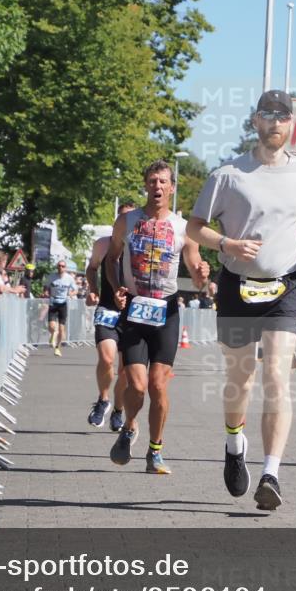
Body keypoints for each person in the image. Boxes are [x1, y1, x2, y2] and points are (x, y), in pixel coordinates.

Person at [187, 89, 296, 511]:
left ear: (290, 124)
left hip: (286, 287)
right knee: (240, 380)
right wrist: (227, 243)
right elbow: (195, 228)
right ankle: (233, 444)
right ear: (255, 122)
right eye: (268, 115)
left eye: (283, 117)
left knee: (278, 379)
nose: (276, 124)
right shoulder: (228, 174)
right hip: (238, 286)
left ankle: (271, 474)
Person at [106, 160, 209, 474]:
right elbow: (112, 259)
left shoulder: (183, 227)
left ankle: (155, 451)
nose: (158, 187)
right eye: (152, 181)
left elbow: (194, 265)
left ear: (172, 187)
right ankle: (129, 427)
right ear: (145, 185)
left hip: (166, 311)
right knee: (136, 387)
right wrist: (116, 288)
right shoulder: (126, 221)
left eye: (163, 182)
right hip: (136, 309)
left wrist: (203, 275)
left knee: (158, 386)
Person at [84, 201, 138, 431]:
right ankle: (103, 400)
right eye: (121, 218)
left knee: (125, 370)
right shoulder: (103, 244)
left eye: (129, 219)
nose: (123, 223)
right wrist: (93, 289)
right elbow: (92, 267)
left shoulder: (140, 247)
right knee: (106, 359)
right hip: (107, 307)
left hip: (132, 313)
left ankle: (118, 409)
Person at [46, 260, 76, 356]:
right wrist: (46, 292)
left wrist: (71, 293)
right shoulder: (51, 277)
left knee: (62, 329)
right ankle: (53, 334)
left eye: (63, 266)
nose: (61, 267)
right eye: (59, 266)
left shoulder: (69, 278)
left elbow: (76, 289)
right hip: (53, 302)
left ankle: (58, 348)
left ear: (65, 268)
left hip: (63, 303)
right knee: (51, 326)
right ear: (57, 267)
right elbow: (46, 287)